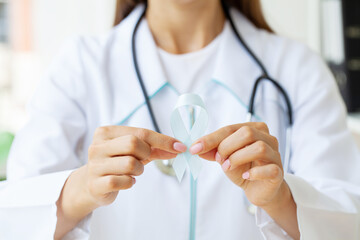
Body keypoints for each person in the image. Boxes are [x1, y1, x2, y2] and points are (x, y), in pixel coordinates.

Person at [1, 0, 359, 239]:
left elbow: (348, 220)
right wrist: (79, 189)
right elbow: (12, 219)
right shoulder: (81, 65)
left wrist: (281, 199)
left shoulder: (297, 69)